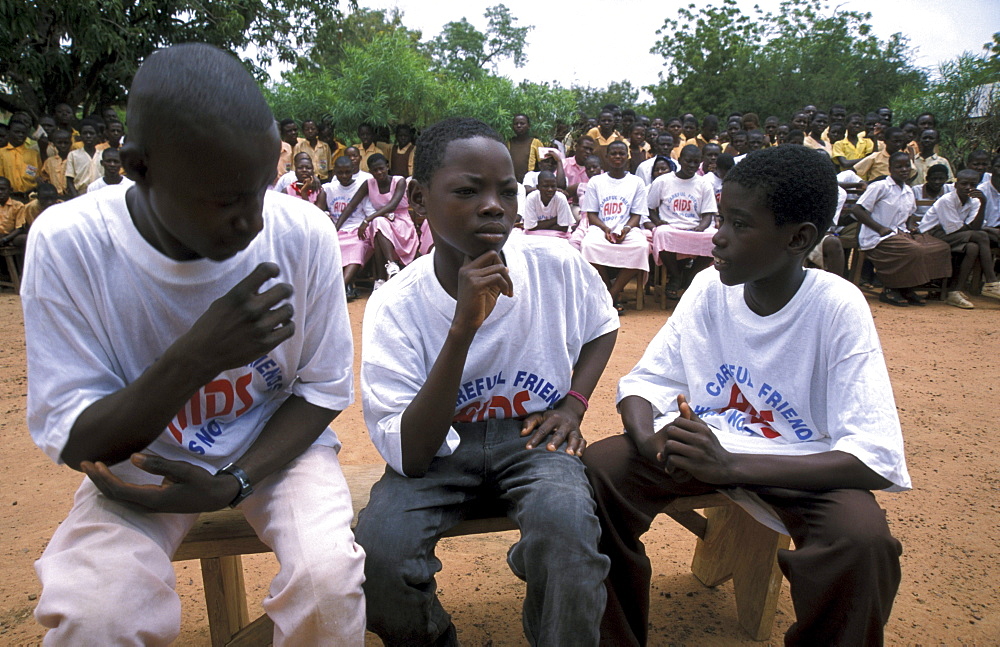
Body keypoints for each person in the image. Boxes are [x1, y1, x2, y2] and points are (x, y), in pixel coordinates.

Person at [23, 43, 365, 645]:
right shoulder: (69, 243)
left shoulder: (303, 232)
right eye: (225, 199)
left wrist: (235, 479)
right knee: (94, 613)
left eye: (261, 188)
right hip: (140, 458)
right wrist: (198, 355)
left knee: (327, 583)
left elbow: (322, 388)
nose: (254, 220)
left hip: (277, 448)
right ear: (137, 165)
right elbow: (80, 440)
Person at [584, 144, 909, 647]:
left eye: (739, 224)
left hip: (799, 464)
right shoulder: (710, 288)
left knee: (862, 542)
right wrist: (650, 444)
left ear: (798, 239)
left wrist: (733, 467)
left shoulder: (836, 307)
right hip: (709, 449)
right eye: (723, 217)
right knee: (602, 470)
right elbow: (645, 383)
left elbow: (873, 457)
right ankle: (615, 635)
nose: (719, 237)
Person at [355, 116, 618, 647]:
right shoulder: (396, 304)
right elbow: (410, 453)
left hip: (533, 437)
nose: (494, 205)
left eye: (506, 190)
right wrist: (462, 328)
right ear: (420, 201)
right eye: (468, 191)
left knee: (568, 535)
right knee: (378, 556)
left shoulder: (554, 264)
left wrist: (572, 405)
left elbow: (603, 326)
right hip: (436, 450)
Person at [853, 152, 952, 306]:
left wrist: (911, 225)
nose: (904, 170)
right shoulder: (880, 186)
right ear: (890, 168)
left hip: (901, 234)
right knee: (914, 249)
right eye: (899, 167)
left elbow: (910, 214)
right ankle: (890, 289)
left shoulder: (908, 191)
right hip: (878, 237)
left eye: (907, 166)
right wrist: (880, 228)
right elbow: (857, 210)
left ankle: (907, 287)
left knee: (940, 247)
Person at [580, 140, 649, 312]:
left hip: (628, 228)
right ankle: (610, 293)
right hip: (601, 227)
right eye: (614, 153)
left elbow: (637, 215)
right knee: (588, 245)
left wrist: (625, 229)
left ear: (627, 157)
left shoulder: (636, 182)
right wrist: (605, 229)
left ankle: (611, 295)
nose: (618, 157)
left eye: (621, 153)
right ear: (607, 157)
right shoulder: (596, 181)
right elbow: (591, 214)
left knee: (641, 247)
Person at [918, 169, 1000, 305]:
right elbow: (959, 228)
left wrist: (983, 203)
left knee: (973, 248)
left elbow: (975, 226)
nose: (968, 188)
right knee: (981, 236)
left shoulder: (975, 201)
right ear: (956, 185)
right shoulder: (947, 200)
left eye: (973, 185)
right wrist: (980, 229)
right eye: (964, 184)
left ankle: (955, 292)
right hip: (931, 235)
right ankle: (991, 282)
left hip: (953, 235)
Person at [647, 144, 718, 300]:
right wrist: (658, 222)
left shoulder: (704, 183)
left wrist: (701, 227)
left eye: (695, 162)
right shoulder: (663, 181)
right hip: (672, 228)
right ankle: (676, 276)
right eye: (688, 161)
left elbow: (708, 214)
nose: (692, 166)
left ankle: (690, 276)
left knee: (715, 239)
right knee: (661, 234)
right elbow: (650, 208)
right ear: (679, 161)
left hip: (695, 228)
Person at [340, 152, 418, 289]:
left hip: (401, 223)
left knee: (376, 223)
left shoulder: (398, 181)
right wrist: (335, 227)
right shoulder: (369, 183)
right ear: (370, 171)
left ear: (387, 166)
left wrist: (367, 220)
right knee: (377, 224)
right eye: (375, 170)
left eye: (381, 168)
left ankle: (384, 274)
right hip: (382, 225)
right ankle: (387, 271)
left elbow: (392, 205)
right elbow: (351, 205)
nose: (379, 172)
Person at [322, 156, 374, 299]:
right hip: (337, 231)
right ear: (334, 172)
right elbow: (320, 211)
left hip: (356, 229)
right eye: (340, 173)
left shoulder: (361, 186)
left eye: (347, 172)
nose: (344, 176)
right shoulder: (328, 188)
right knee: (331, 246)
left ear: (353, 170)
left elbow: (369, 212)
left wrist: (365, 224)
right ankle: (347, 286)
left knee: (357, 246)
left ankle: (339, 289)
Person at [523, 170, 573, 238]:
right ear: (538, 187)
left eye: (553, 186)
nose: (550, 189)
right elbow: (530, 227)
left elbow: (563, 228)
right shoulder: (531, 198)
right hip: (534, 235)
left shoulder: (561, 198)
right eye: (546, 186)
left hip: (557, 235)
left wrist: (538, 225)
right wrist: (556, 220)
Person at [0, 120, 42, 201]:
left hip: (30, 197)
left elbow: (37, 176)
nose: (20, 135)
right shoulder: (1, 153)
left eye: (23, 133)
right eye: (17, 132)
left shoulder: (33, 154)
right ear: (9, 132)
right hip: (9, 198)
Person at [64, 121, 102, 198]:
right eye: (85, 133)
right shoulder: (73, 155)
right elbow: (69, 179)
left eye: (91, 133)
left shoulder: (103, 155)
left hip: (100, 194)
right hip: (81, 194)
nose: (88, 136)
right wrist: (76, 196)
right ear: (80, 136)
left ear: (97, 136)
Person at [507, 114, 544, 183]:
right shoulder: (509, 143)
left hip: (530, 183)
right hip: (512, 182)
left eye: (522, 123)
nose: (519, 126)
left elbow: (543, 163)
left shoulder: (535, 142)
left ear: (528, 126)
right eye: (516, 124)